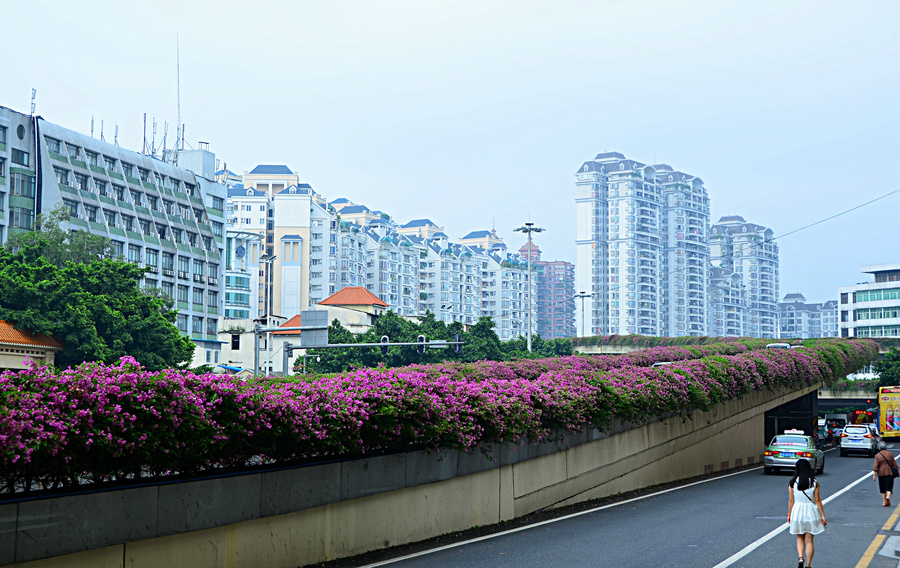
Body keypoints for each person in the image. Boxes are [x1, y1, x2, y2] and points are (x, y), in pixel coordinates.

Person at [788, 459, 826, 568]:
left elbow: (791, 500)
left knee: (800, 537)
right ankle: (808, 565)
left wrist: (789, 514)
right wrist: (823, 515)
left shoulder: (792, 482)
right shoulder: (814, 482)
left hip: (797, 511)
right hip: (810, 512)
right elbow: (817, 500)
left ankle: (800, 557)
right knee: (809, 541)